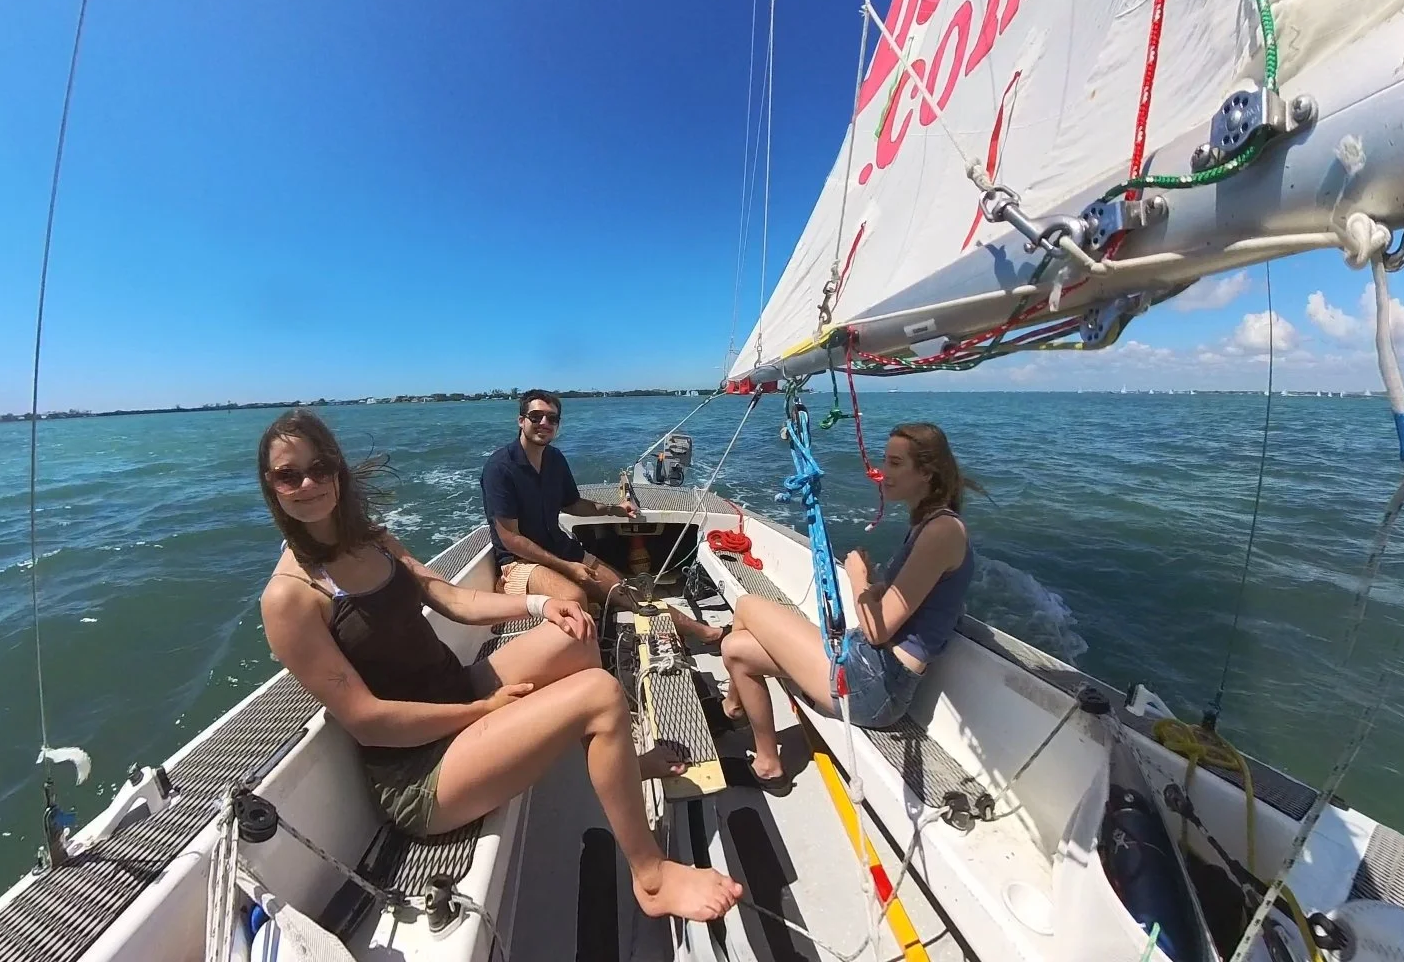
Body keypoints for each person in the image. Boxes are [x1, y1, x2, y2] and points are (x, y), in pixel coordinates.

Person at [255, 409, 740, 922]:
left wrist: (541, 605)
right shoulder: (290, 597)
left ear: (338, 469)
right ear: (270, 485)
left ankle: (620, 763)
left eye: (319, 467)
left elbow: (452, 599)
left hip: (458, 693)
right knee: (599, 693)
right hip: (421, 772)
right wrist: (483, 710)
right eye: (289, 475)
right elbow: (369, 721)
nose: (307, 484)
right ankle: (652, 877)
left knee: (576, 635)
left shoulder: (372, 540)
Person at [719, 422, 979, 794]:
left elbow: (879, 630)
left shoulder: (941, 531)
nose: (882, 472)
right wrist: (873, 586)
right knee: (735, 649)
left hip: (875, 685)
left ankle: (732, 709)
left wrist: (857, 577)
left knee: (746, 605)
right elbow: (903, 603)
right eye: (884, 461)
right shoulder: (929, 525)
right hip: (872, 668)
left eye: (895, 463)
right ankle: (767, 762)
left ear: (927, 473)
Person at [481, 390, 725, 645]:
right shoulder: (500, 468)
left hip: (559, 548)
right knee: (574, 599)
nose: (544, 423)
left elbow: (572, 504)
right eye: (536, 416)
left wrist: (614, 510)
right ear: (521, 421)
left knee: (627, 591)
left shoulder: (554, 459)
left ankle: (706, 633)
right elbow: (511, 539)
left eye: (551, 418)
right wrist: (568, 568)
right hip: (519, 563)